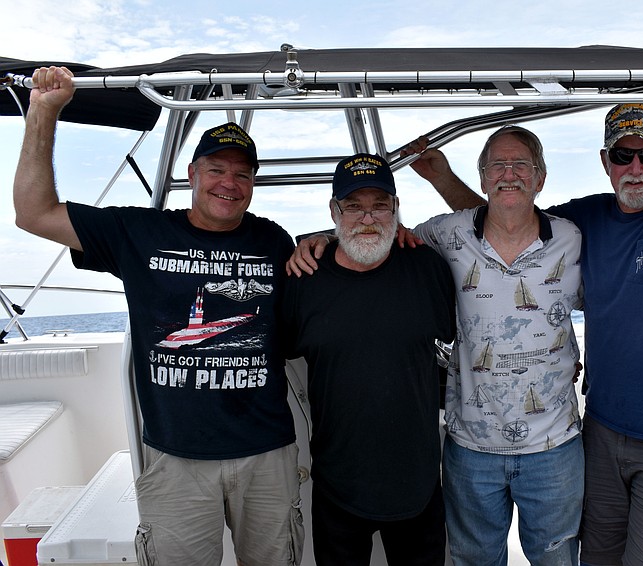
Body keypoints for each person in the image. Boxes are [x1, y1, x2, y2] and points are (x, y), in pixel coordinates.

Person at [400, 79, 643, 566]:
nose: (636, 167)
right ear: (605, 162)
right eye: (623, 156)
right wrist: (441, 178)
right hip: (600, 433)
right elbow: (506, 216)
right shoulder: (583, 221)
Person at [14, 66, 304, 566]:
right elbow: (33, 212)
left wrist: (318, 239)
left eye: (242, 173)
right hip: (175, 459)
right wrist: (43, 112)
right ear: (192, 174)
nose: (228, 183)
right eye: (216, 169)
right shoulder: (137, 231)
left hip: (266, 453)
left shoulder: (271, 238)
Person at [289, 127, 585, 566]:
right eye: (496, 167)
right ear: (482, 178)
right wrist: (320, 239)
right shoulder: (445, 235)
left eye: (521, 165)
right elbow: (370, 239)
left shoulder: (571, 239)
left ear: (541, 177)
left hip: (555, 446)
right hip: (471, 448)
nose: (509, 175)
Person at [281, 153, 456, 565]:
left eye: (379, 204)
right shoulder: (304, 277)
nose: (367, 217)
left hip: (419, 483)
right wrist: (315, 238)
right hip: (337, 484)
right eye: (353, 206)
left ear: (396, 209)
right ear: (334, 211)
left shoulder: (426, 266)